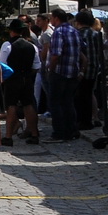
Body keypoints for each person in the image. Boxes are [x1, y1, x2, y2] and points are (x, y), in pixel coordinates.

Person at [45, 8, 82, 142]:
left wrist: (51, 70)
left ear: (56, 18)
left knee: (55, 103)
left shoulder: (58, 32)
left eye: (51, 18)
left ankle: (59, 133)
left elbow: (56, 54)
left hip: (59, 72)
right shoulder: (75, 31)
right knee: (68, 102)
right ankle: (71, 130)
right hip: (73, 72)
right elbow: (81, 51)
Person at [0, 19, 39, 145]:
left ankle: (8, 136)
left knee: (11, 105)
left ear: (11, 31)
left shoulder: (7, 45)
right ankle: (34, 134)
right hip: (27, 78)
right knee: (28, 104)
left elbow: (2, 65)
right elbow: (36, 65)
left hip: (12, 79)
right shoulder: (32, 46)